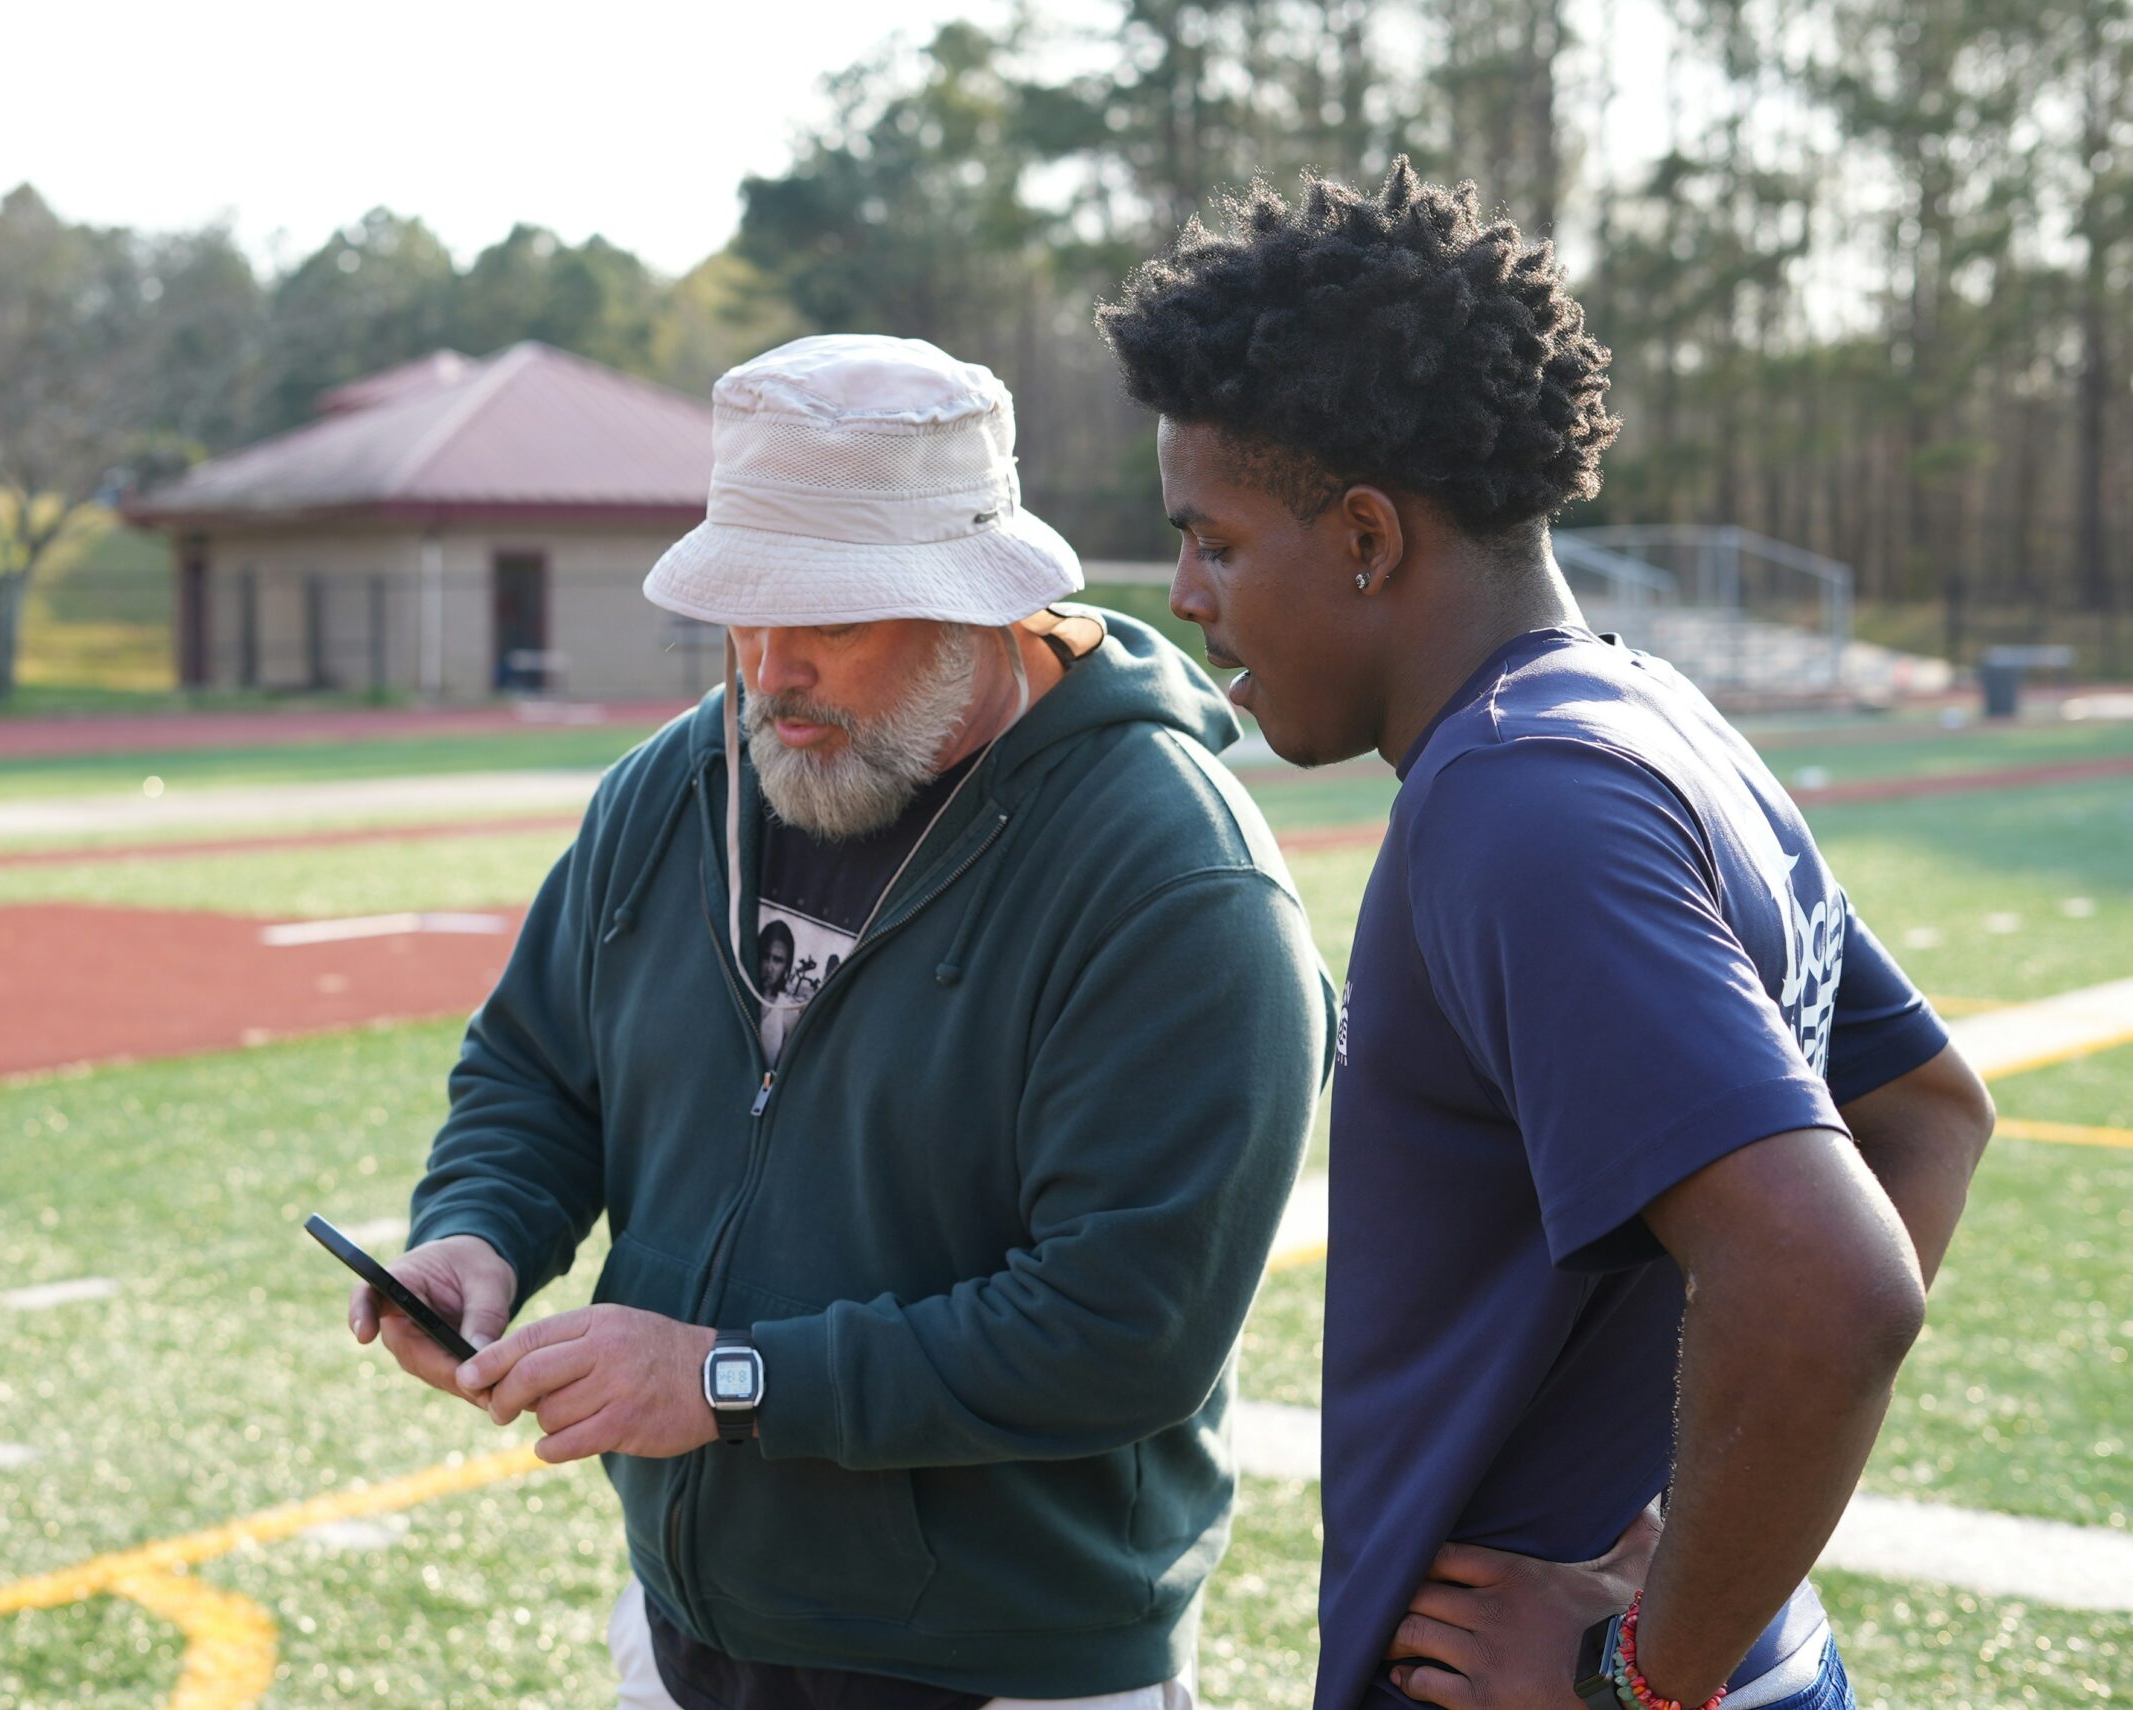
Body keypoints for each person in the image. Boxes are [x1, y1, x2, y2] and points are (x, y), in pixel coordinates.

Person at [1097, 163, 1996, 1710]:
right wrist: (1686, 1554)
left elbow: (1833, 1283)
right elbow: (1926, 1112)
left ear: (1366, 536)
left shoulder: (1519, 798)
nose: (1185, 593)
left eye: (1215, 542)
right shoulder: (1647, 713)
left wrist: (1640, 1669)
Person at [352, 334, 1333, 1709]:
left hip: (1010, 1669)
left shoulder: (1173, 878)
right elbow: (538, 1071)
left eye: (830, 619)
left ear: (978, 602)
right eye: (742, 611)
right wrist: (481, 1227)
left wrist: (731, 1380)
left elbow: (1124, 1328)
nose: (770, 669)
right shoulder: (676, 788)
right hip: (685, 1632)